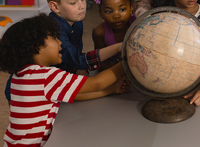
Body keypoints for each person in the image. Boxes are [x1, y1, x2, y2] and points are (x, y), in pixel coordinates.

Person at [0, 14, 129, 146]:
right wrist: (126, 60)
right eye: (54, 38)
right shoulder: (46, 77)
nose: (60, 42)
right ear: (37, 47)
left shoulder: (19, 75)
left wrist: (110, 90)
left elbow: (75, 94)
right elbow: (97, 83)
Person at [92, 0, 135, 68]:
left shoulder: (139, 25)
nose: (116, 16)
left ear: (131, 8)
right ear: (101, 14)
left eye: (122, 9)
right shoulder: (99, 32)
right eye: (108, 11)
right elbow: (102, 64)